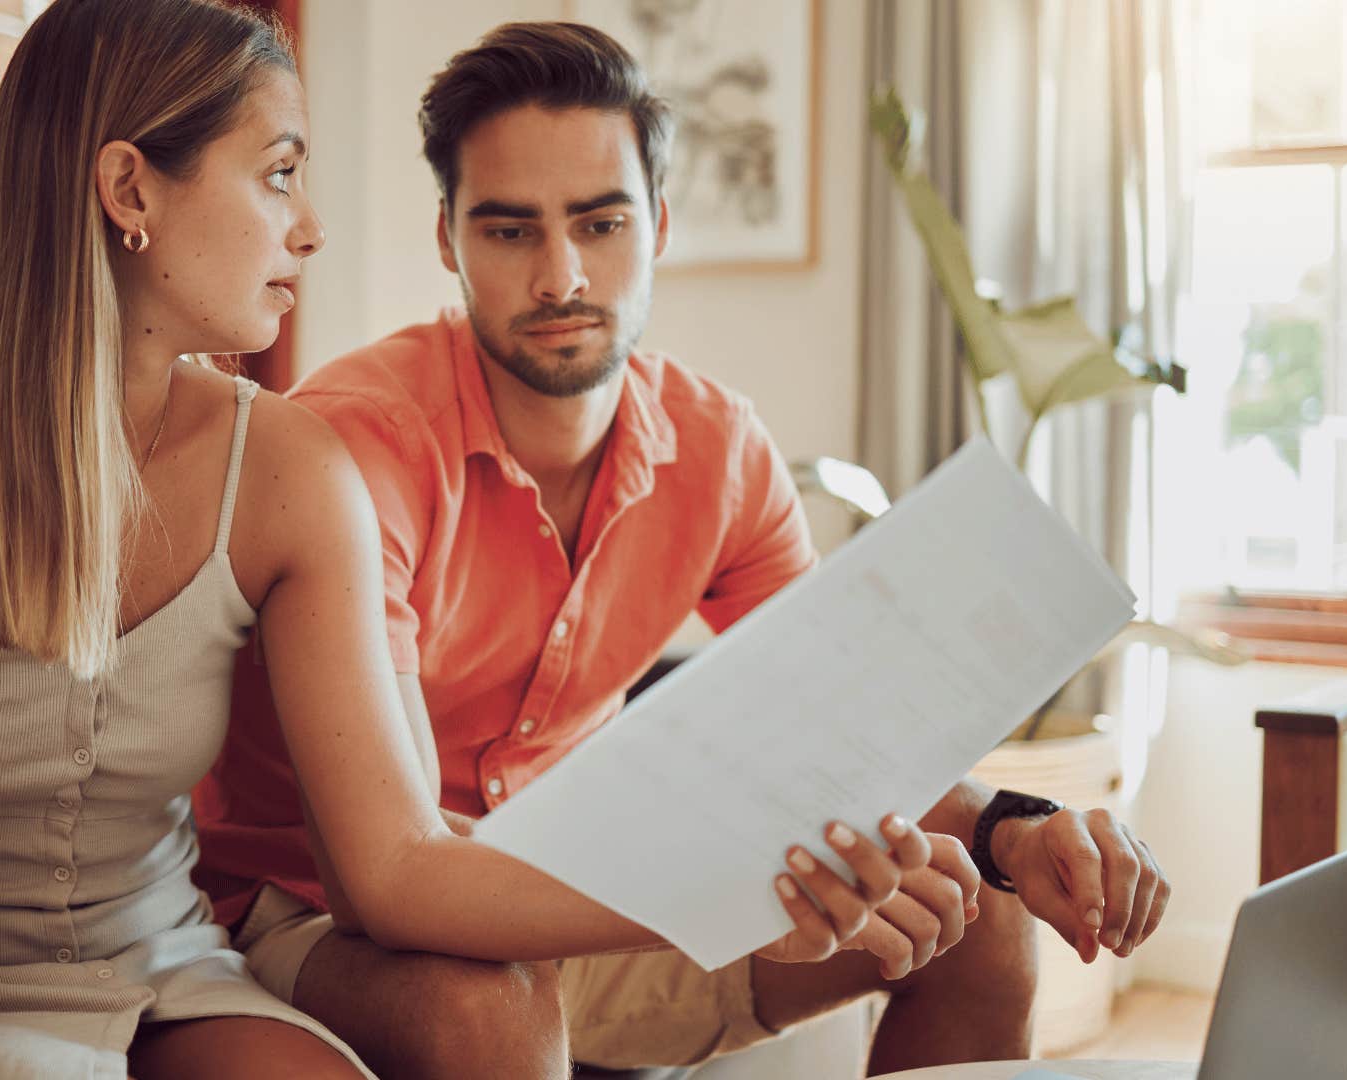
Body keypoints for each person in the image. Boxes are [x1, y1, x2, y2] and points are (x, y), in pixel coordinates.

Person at [0, 3, 921, 1077]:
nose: (310, 231)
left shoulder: (286, 470)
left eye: (602, 222)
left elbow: (396, 866)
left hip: (168, 966)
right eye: (280, 175)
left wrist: (771, 869)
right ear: (130, 192)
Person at [196, 20, 1175, 1079]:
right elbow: (387, 881)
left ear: (658, 224)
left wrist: (1016, 835)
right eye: (511, 230)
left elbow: (839, 724)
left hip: (575, 894)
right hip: (319, 915)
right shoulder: (357, 447)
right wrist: (717, 893)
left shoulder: (721, 451)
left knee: (977, 917)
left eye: (601, 222)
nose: (562, 275)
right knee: (486, 1006)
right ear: (450, 239)